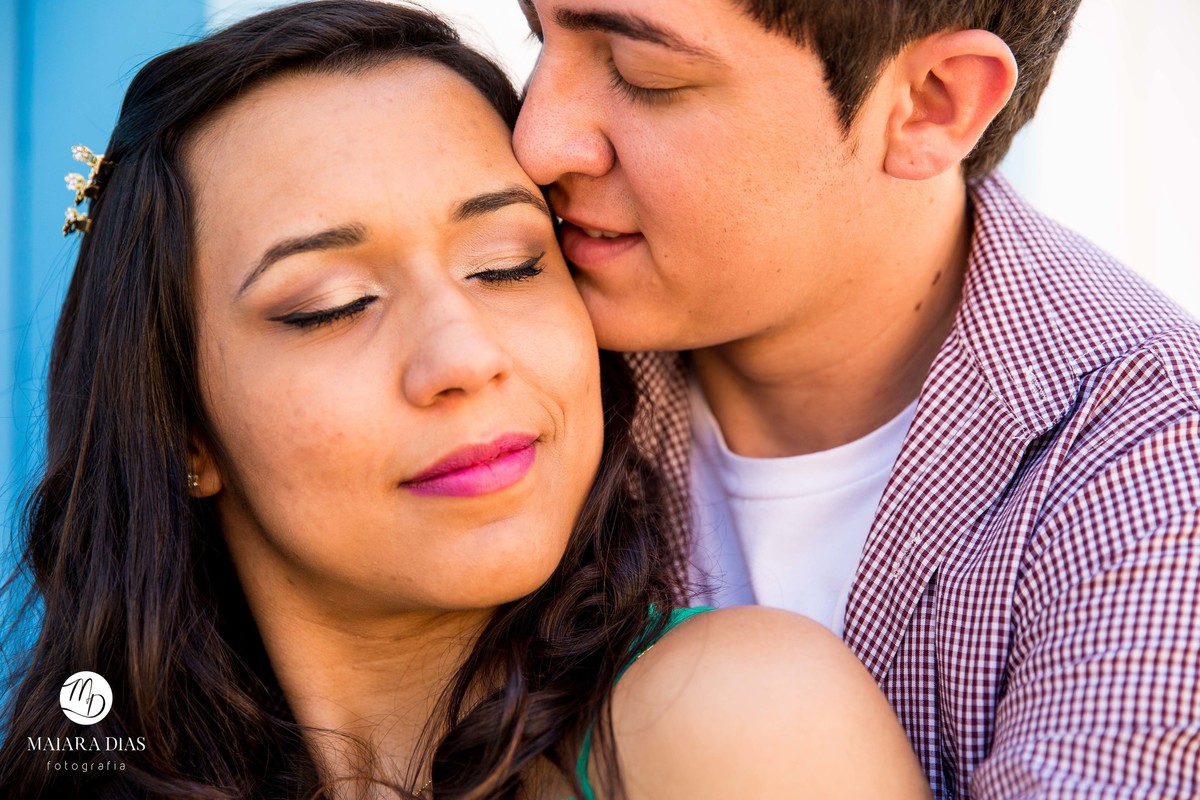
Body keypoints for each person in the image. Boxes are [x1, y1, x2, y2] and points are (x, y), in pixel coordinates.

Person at [0, 2, 930, 798]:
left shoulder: (734, 723)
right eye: (333, 306)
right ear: (186, 427)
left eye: (509, 265)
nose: (463, 356)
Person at [513, 1, 1200, 798]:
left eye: (645, 75)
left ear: (932, 105)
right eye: (539, 34)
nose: (535, 139)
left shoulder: (1156, 477)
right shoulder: (496, 362)